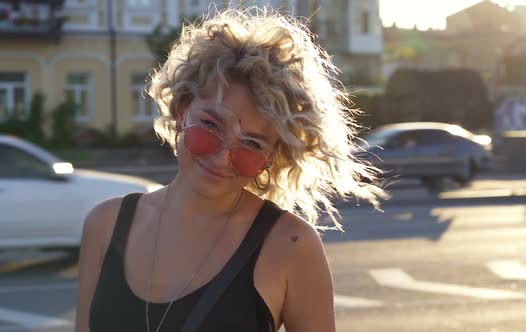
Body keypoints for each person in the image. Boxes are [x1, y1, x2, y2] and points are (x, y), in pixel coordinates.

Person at [75, 7, 384, 332]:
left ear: (271, 156)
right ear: (182, 111)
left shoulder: (290, 245)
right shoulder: (105, 225)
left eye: (251, 144)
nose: (223, 157)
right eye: (210, 125)